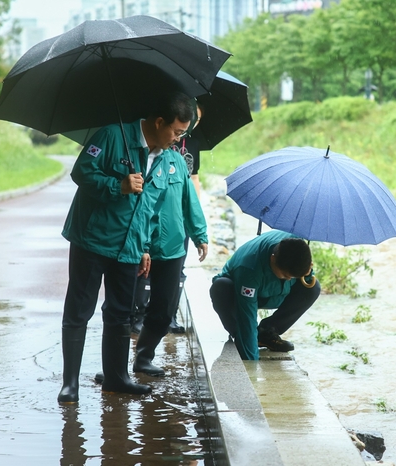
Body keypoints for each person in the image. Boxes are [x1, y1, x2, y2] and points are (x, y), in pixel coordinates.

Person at [57, 91, 195, 403]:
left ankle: (117, 378)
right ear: (159, 122)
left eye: (183, 133)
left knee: (120, 313)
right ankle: (70, 383)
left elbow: (150, 205)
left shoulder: (163, 158)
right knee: (79, 310)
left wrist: (144, 245)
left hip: (130, 246)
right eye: (176, 131)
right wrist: (116, 185)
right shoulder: (110, 135)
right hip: (92, 239)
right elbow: (82, 172)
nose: (177, 139)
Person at [132, 143, 209, 376]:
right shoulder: (134, 157)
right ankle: (114, 368)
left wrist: (199, 234)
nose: (178, 137)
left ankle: (143, 357)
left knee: (164, 311)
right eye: (175, 131)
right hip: (136, 246)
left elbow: (189, 199)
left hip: (172, 247)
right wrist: (141, 246)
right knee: (123, 309)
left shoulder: (176, 160)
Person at [209, 230, 321, 360]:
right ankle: (239, 335)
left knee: (313, 288)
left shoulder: (297, 247)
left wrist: (307, 273)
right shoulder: (249, 267)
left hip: (274, 293)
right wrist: (251, 364)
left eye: (292, 277)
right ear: (272, 258)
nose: (289, 279)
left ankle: (266, 332)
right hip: (237, 295)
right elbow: (247, 316)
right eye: (285, 275)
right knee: (220, 287)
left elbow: (305, 281)